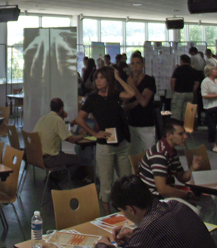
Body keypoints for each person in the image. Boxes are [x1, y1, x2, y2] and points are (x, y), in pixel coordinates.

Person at [95, 175, 216, 248]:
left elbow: (151, 233)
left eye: (123, 211)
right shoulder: (176, 205)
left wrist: (103, 245)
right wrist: (135, 237)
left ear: (131, 209)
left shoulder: (147, 230)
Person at [76, 66, 135, 215]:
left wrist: (119, 78)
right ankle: (108, 214)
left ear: (109, 80)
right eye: (96, 78)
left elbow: (131, 93)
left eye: (101, 78)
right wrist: (94, 134)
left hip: (121, 142)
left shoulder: (115, 95)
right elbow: (79, 119)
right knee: (106, 183)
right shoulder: (93, 99)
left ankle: (126, 210)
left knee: (126, 180)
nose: (98, 81)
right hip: (105, 146)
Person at [138, 118, 215, 222]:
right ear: (169, 135)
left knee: (209, 202)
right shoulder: (159, 154)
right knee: (194, 212)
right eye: (181, 134)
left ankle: (205, 235)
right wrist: (187, 195)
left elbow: (182, 177)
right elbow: (162, 189)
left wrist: (192, 168)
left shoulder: (171, 151)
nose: (185, 137)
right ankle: (197, 235)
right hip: (155, 199)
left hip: (164, 194)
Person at [34, 98, 84, 169]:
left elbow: (59, 131)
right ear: (61, 109)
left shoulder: (43, 117)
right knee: (78, 159)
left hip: (37, 157)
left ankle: (57, 177)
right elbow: (71, 139)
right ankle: (65, 179)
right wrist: (82, 135)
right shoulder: (58, 120)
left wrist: (62, 117)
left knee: (62, 155)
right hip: (49, 159)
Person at [123, 52, 156, 155]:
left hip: (146, 124)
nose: (135, 66)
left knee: (150, 154)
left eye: (137, 63)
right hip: (132, 123)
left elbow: (144, 103)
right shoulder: (129, 81)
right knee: (134, 155)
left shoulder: (149, 80)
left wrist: (133, 87)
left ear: (143, 65)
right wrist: (138, 99)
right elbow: (126, 105)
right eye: (132, 64)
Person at [170, 55, 199, 122]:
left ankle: (176, 129)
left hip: (179, 92)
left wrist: (173, 91)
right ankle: (186, 129)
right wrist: (192, 90)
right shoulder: (193, 70)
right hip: (189, 93)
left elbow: (173, 80)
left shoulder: (178, 69)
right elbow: (197, 82)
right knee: (187, 113)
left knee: (176, 113)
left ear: (182, 61)